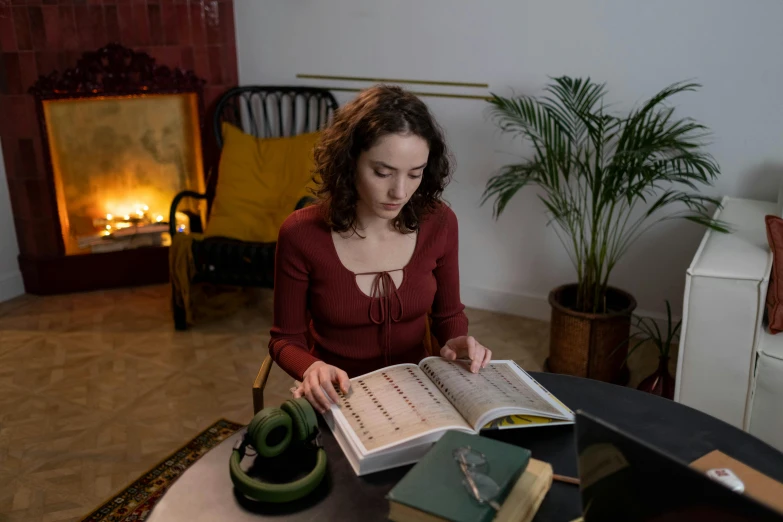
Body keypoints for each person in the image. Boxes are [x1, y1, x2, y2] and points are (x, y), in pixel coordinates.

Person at [268, 84, 492, 414]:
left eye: (415, 174)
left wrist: (455, 342)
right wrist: (311, 368)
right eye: (382, 172)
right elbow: (285, 339)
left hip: (420, 395)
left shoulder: (439, 222)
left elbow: (448, 315)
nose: (399, 192)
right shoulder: (301, 233)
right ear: (349, 162)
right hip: (338, 398)